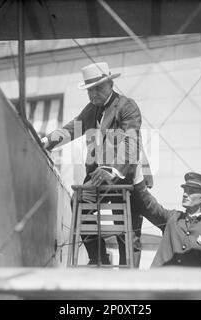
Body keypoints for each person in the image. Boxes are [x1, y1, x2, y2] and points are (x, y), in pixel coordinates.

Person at [41, 62, 151, 266]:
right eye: (89, 90)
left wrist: (114, 170)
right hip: (98, 178)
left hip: (123, 177)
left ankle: (129, 278)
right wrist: (46, 142)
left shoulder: (127, 106)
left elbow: (131, 142)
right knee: (79, 201)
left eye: (98, 88)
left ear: (110, 84)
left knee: (128, 231)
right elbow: (71, 129)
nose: (93, 95)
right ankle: (99, 257)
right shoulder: (91, 109)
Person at [132, 172, 201, 267]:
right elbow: (148, 205)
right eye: (185, 190)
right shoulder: (172, 218)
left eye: (191, 191)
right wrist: (137, 175)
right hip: (159, 280)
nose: (185, 194)